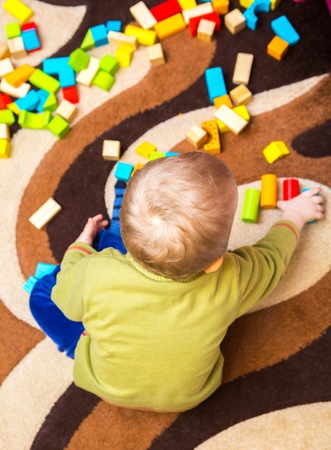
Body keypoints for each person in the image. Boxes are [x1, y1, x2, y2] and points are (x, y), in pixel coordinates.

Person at [29, 151, 325, 412]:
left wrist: (81, 245)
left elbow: (66, 298)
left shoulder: (97, 270)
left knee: (43, 292)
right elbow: (273, 258)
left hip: (102, 382)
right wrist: (296, 214)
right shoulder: (233, 276)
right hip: (188, 397)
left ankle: (75, 343)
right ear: (216, 262)